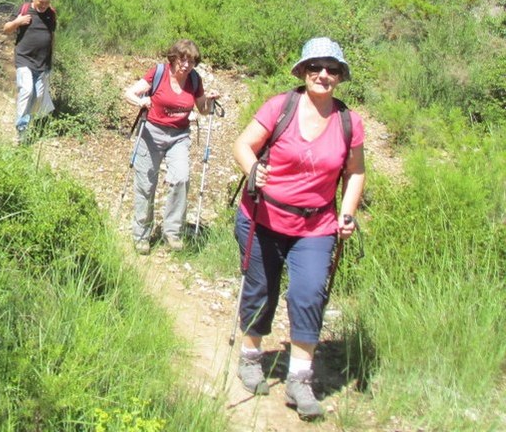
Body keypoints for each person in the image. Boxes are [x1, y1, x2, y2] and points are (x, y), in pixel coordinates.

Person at [231, 37, 365, 420]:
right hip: (263, 218)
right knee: (261, 289)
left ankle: (300, 379)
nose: (323, 74)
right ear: (303, 71)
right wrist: (253, 169)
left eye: (332, 69)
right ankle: (252, 355)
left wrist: (348, 212)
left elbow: (355, 172)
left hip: (317, 224)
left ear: (340, 77)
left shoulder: (348, 121)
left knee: (308, 294)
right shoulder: (281, 106)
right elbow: (243, 145)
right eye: (315, 67)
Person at [123, 39, 219, 253]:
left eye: (191, 61)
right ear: (174, 58)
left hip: (179, 136)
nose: (186, 65)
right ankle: (141, 235)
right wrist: (141, 102)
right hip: (151, 133)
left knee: (181, 179)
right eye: (183, 60)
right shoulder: (158, 73)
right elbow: (129, 92)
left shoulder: (194, 80)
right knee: (146, 184)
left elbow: (202, 109)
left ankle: (173, 232)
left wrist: (209, 101)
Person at [3, 0, 56, 144]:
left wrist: (50, 61)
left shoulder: (51, 14)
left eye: (47, 3)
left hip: (42, 63)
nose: (44, 6)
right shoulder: (24, 9)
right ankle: (21, 130)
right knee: (27, 90)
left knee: (38, 96)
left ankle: (27, 120)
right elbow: (6, 29)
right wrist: (18, 22)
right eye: (41, 2)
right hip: (24, 59)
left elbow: (52, 37)